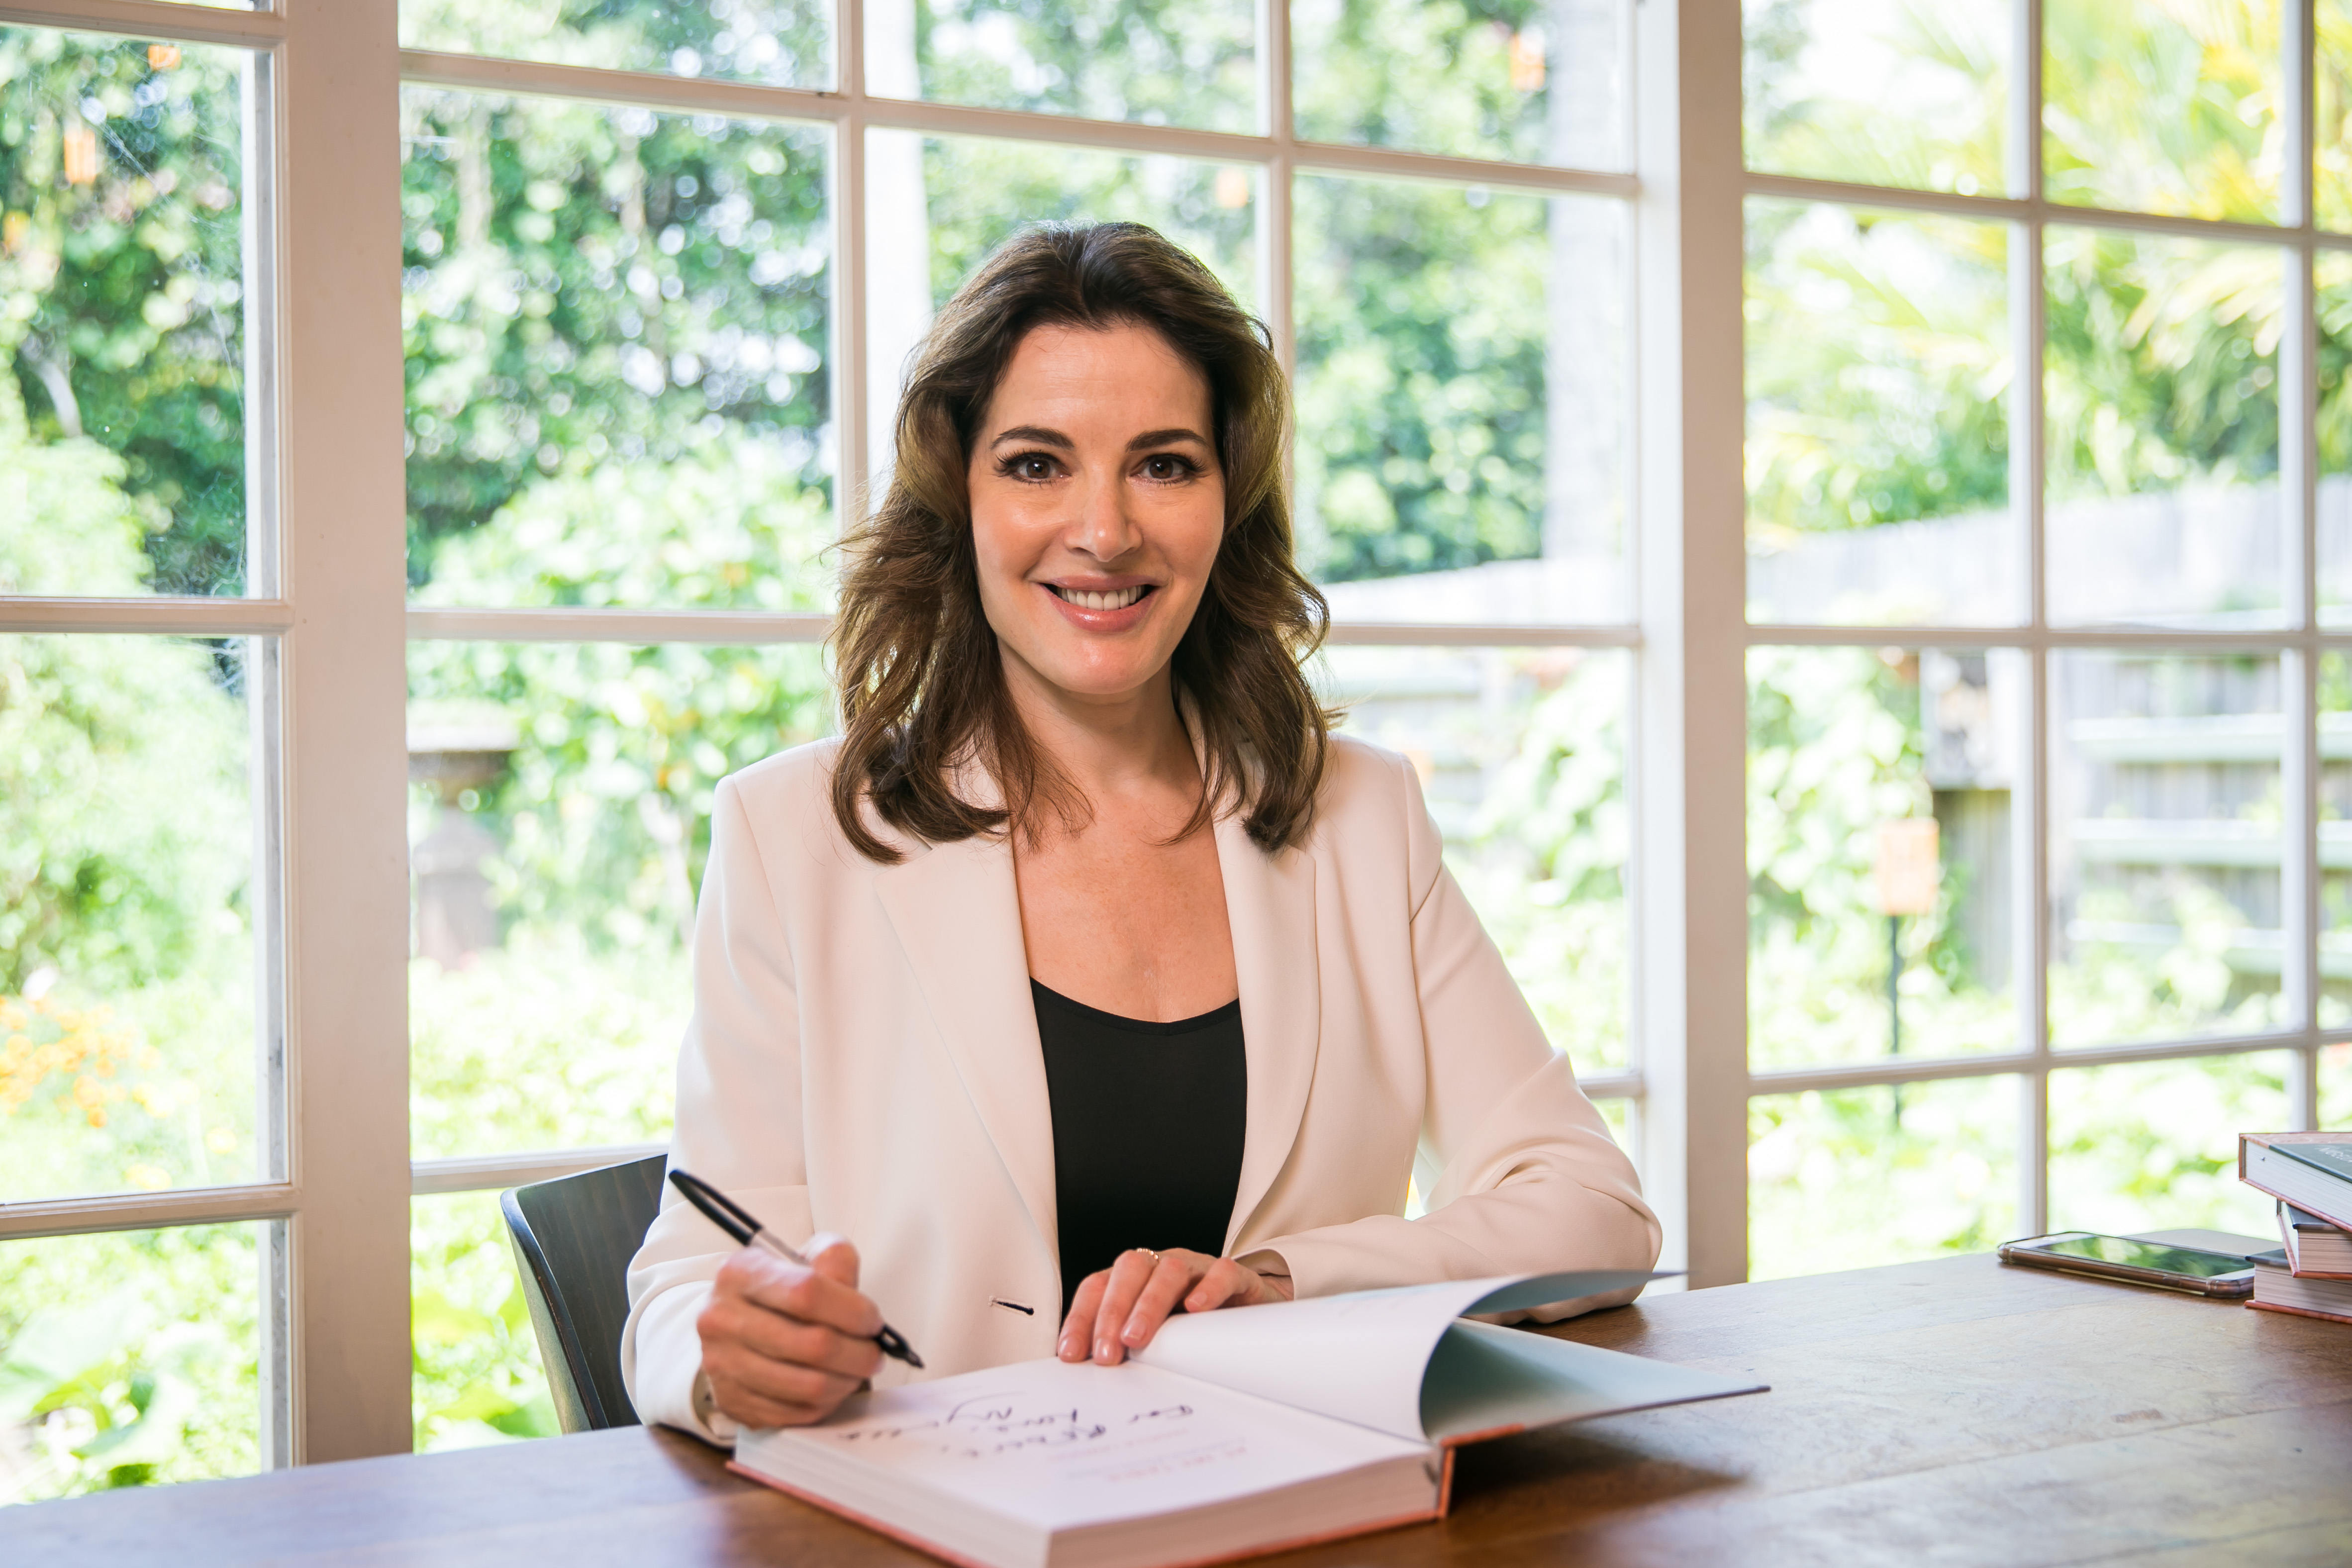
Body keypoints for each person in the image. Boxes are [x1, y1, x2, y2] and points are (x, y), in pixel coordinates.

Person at [619, 221, 1659, 1441]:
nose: (1105, 531)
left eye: (1164, 464)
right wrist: (723, 1352)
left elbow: (1591, 1210)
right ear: (958, 495)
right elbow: (687, 1278)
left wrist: (1285, 1284)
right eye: (1036, 464)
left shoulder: (1364, 819)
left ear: (1230, 501)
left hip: (1301, 1517)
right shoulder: (793, 833)